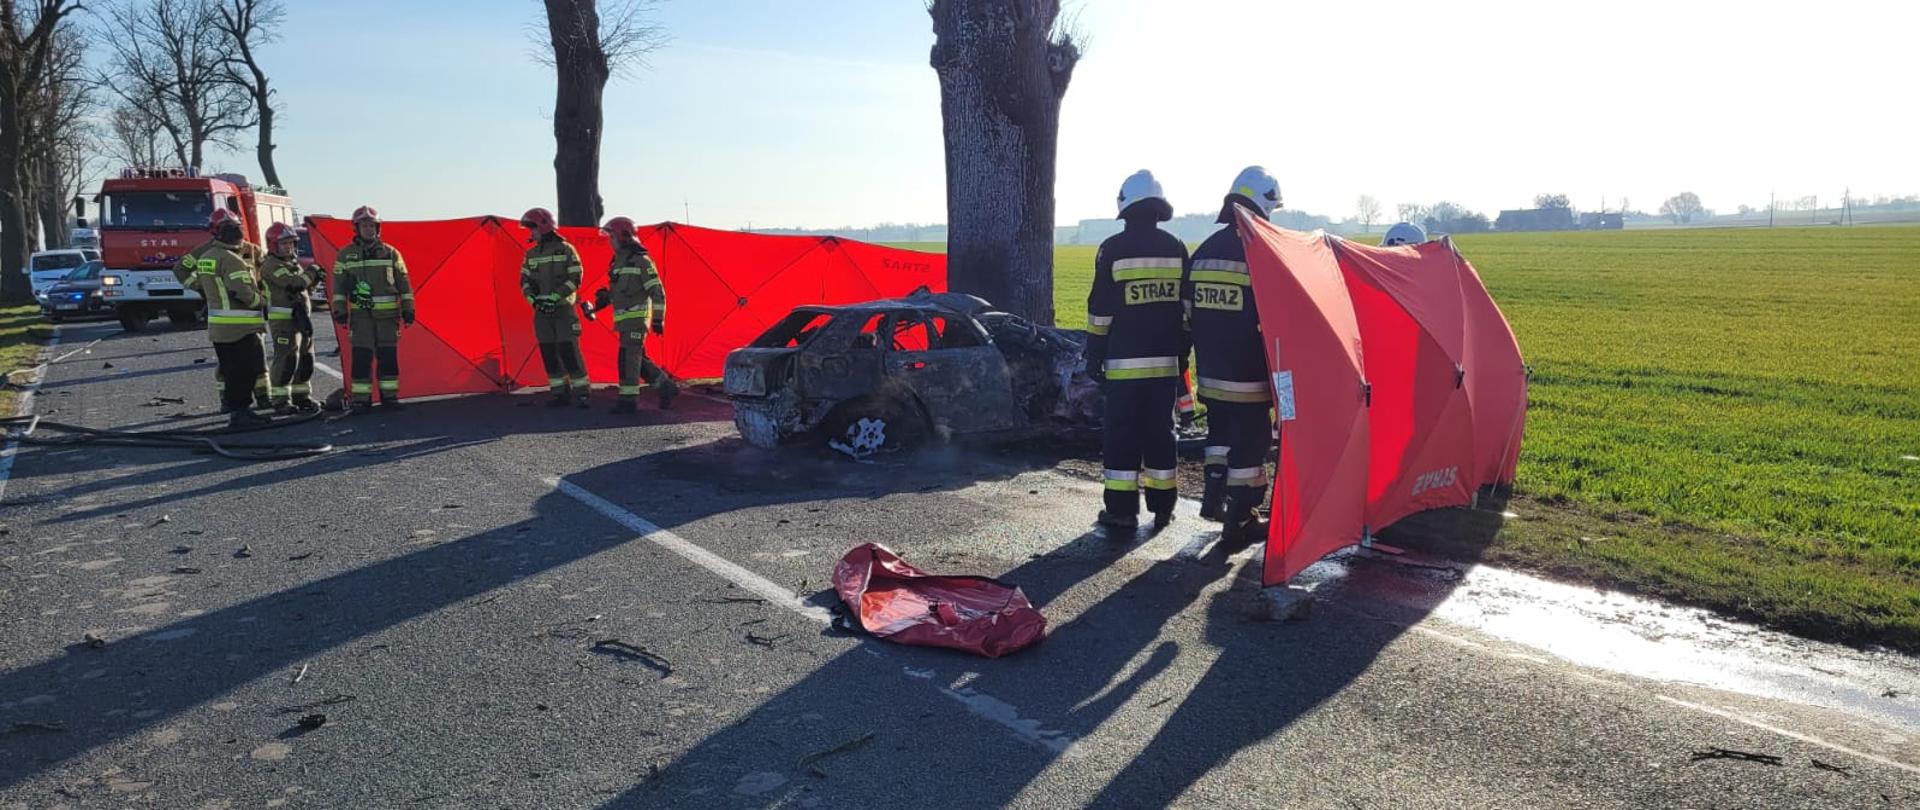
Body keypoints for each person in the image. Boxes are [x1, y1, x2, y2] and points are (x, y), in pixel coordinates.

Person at [1086, 170, 1189, 532]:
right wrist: (1181, 354)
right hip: (1164, 367)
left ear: (1125, 206)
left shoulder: (1112, 249)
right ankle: (1163, 507)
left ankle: (1121, 511)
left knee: (1122, 436)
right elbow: (1186, 311)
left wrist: (1093, 353)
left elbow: (1100, 310)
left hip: (1123, 368)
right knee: (1161, 433)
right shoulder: (1176, 247)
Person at [1186, 166, 1282, 545]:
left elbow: (1187, 314)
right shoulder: (1259, 254)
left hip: (1210, 374)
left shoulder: (1205, 251)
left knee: (1219, 437)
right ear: (1263, 205)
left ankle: (1213, 496)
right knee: (1251, 445)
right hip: (1249, 377)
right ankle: (1241, 520)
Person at [174, 209, 270, 427]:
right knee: (244, 369)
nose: (237, 232)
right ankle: (239, 410)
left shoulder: (213, 255)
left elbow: (264, 273)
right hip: (241, 323)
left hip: (221, 324)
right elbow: (243, 292)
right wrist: (263, 302)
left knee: (234, 367)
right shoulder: (227, 257)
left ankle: (245, 406)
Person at [330, 206, 414, 411]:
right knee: (361, 358)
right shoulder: (345, 255)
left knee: (388, 358)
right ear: (356, 228)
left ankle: (390, 397)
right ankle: (361, 400)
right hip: (361, 318)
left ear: (378, 227)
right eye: (364, 225)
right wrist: (340, 310)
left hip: (388, 318)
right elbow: (338, 286)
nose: (369, 229)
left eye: (371, 225)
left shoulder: (391, 253)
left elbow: (404, 283)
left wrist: (408, 308)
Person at [595, 216, 679, 412]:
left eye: (611, 237)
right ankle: (666, 388)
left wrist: (658, 320)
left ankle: (628, 401)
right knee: (637, 360)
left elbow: (657, 292)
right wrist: (605, 297)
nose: (609, 241)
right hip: (624, 322)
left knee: (627, 359)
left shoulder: (642, 261)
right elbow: (620, 291)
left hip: (637, 320)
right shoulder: (618, 262)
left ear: (623, 237)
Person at [518, 207, 589, 408]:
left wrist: (555, 297)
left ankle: (582, 393)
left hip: (563, 311)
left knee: (569, 351)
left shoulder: (566, 249)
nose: (530, 233)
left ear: (543, 226)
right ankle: (560, 394)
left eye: (532, 229)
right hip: (541, 313)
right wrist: (535, 301)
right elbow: (524, 281)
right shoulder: (531, 254)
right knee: (549, 353)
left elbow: (575, 278)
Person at [261, 222, 319, 414]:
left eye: (291, 243)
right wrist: (313, 273)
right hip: (284, 322)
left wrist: (314, 277)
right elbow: (293, 284)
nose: (289, 247)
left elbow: (304, 287)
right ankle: (280, 399)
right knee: (287, 360)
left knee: (306, 358)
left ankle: (301, 396)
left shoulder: (292, 264)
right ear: (273, 245)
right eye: (284, 243)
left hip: (301, 320)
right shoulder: (271, 265)